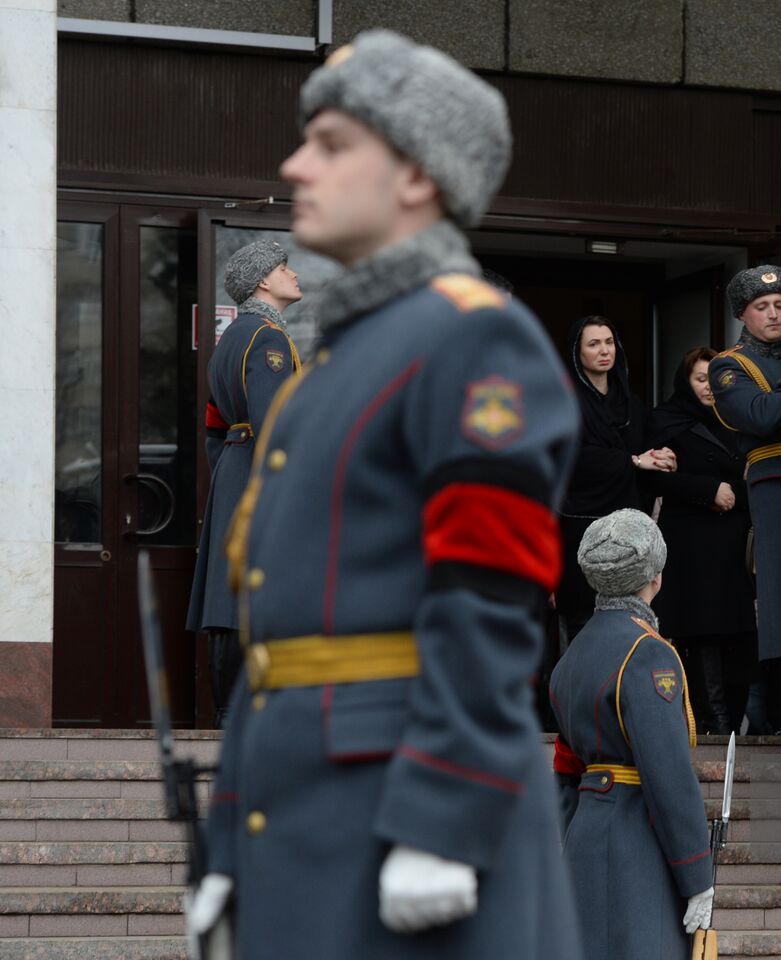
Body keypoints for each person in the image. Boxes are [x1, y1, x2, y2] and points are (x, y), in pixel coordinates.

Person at [185, 31, 581, 959]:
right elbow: (277, 645)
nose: (294, 164)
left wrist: (445, 812)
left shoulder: (473, 340)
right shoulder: (328, 367)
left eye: (329, 143)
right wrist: (226, 844)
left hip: (411, 807)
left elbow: (487, 598)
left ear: (415, 175)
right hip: (301, 812)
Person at [549, 509, 714, 960]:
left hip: (584, 837)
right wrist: (697, 873)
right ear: (654, 576)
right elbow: (668, 775)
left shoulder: (572, 657)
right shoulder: (647, 654)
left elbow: (565, 768)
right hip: (635, 843)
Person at [708, 265, 781, 752]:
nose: (774, 314)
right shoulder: (730, 365)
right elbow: (761, 414)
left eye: (780, 305)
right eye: (762, 307)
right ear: (743, 313)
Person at [185, 239, 302, 727]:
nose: (292, 274)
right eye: (283, 267)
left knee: (228, 600)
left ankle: (229, 712)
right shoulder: (269, 338)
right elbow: (278, 426)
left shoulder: (231, 339)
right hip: (263, 476)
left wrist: (231, 471)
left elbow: (215, 427)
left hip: (237, 468)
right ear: (262, 281)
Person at [649, 347, 757, 735]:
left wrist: (734, 494)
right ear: (685, 381)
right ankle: (714, 722)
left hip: (736, 543)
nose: (710, 388)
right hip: (693, 542)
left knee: (741, 632)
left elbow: (759, 479)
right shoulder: (666, 420)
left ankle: (733, 722)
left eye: (717, 380)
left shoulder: (743, 419)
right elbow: (656, 476)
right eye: (700, 379)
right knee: (702, 631)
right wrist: (708, 489)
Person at [557, 315, 675, 639]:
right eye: (593, 344)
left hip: (627, 525)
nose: (603, 350)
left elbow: (643, 452)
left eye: (609, 342)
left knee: (631, 620)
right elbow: (572, 459)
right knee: (583, 622)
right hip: (581, 525)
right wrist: (633, 461)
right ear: (577, 353)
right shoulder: (563, 402)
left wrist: (661, 457)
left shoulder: (630, 403)